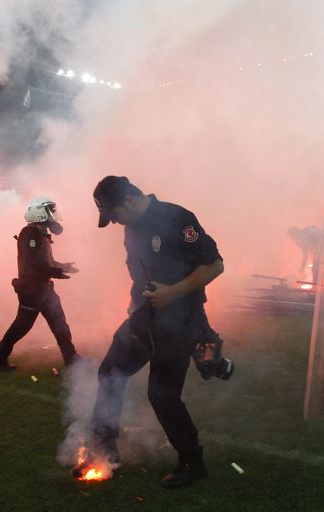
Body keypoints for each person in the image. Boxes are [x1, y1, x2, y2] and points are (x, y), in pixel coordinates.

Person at [74, 176, 224, 489]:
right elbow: (139, 273)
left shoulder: (178, 218)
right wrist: (133, 305)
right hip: (145, 316)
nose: (114, 222)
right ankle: (103, 450)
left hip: (180, 318)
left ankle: (192, 460)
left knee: (162, 393)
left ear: (129, 201)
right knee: (110, 372)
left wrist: (175, 292)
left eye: (114, 215)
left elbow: (215, 265)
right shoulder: (131, 227)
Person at [0, 197, 80, 371]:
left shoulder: (40, 234)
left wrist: (64, 267)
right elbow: (34, 266)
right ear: (40, 213)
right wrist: (57, 273)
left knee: (59, 322)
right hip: (32, 290)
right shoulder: (29, 234)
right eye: (50, 211)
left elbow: (49, 262)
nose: (53, 215)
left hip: (43, 289)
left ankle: (71, 358)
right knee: (21, 326)